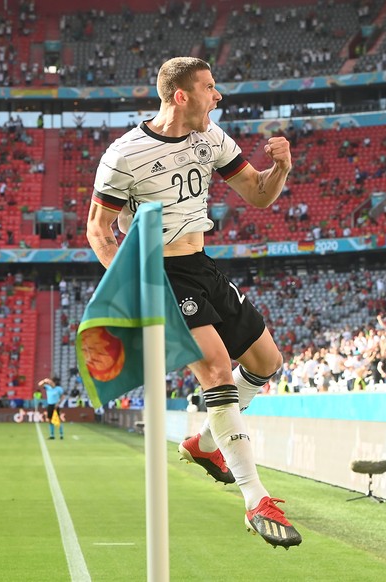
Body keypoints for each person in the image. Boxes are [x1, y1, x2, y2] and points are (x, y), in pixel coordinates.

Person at [85, 56, 301, 549]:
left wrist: (281, 168)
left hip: (202, 265)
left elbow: (258, 194)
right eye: (209, 88)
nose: (218, 96)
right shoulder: (125, 154)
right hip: (160, 272)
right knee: (217, 372)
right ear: (181, 96)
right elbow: (99, 231)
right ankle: (256, 499)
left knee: (267, 363)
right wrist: (135, 285)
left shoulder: (211, 138)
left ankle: (204, 444)